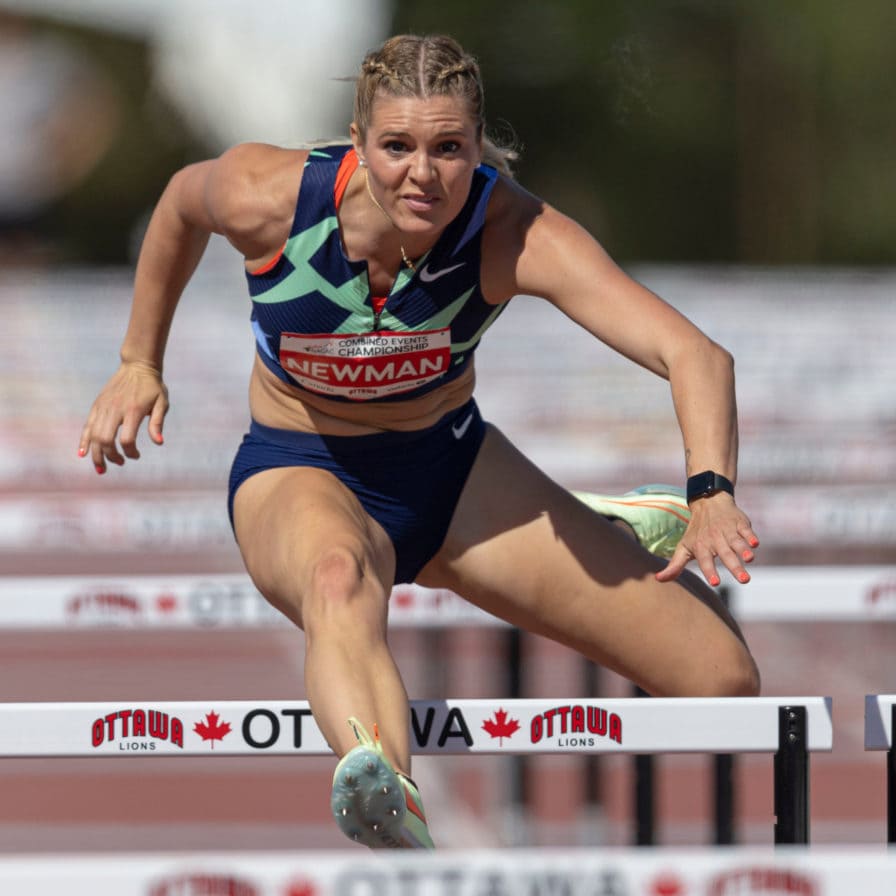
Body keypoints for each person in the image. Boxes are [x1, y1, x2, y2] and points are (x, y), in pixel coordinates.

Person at [79, 33, 760, 850]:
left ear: (477, 150)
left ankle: (597, 524)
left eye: (448, 149)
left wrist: (711, 490)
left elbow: (694, 353)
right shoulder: (269, 196)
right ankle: (391, 805)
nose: (422, 174)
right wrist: (137, 360)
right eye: (397, 147)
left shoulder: (513, 231)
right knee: (337, 580)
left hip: (454, 474)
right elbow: (181, 204)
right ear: (359, 143)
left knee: (721, 679)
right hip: (303, 467)